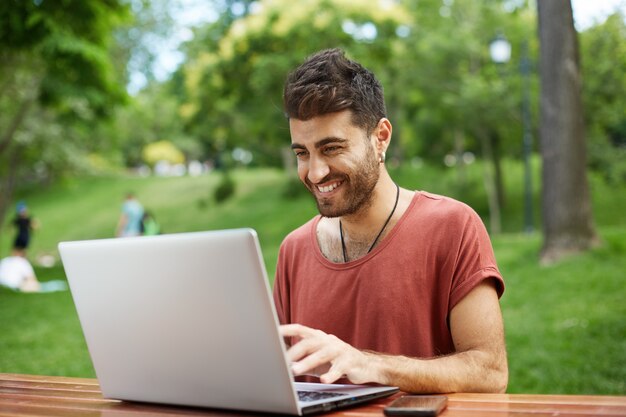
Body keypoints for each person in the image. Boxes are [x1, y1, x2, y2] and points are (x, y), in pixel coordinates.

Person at [273, 48, 508, 394]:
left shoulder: (453, 226)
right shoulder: (293, 250)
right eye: (302, 154)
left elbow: (490, 373)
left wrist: (368, 364)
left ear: (380, 136)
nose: (316, 171)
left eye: (332, 148)